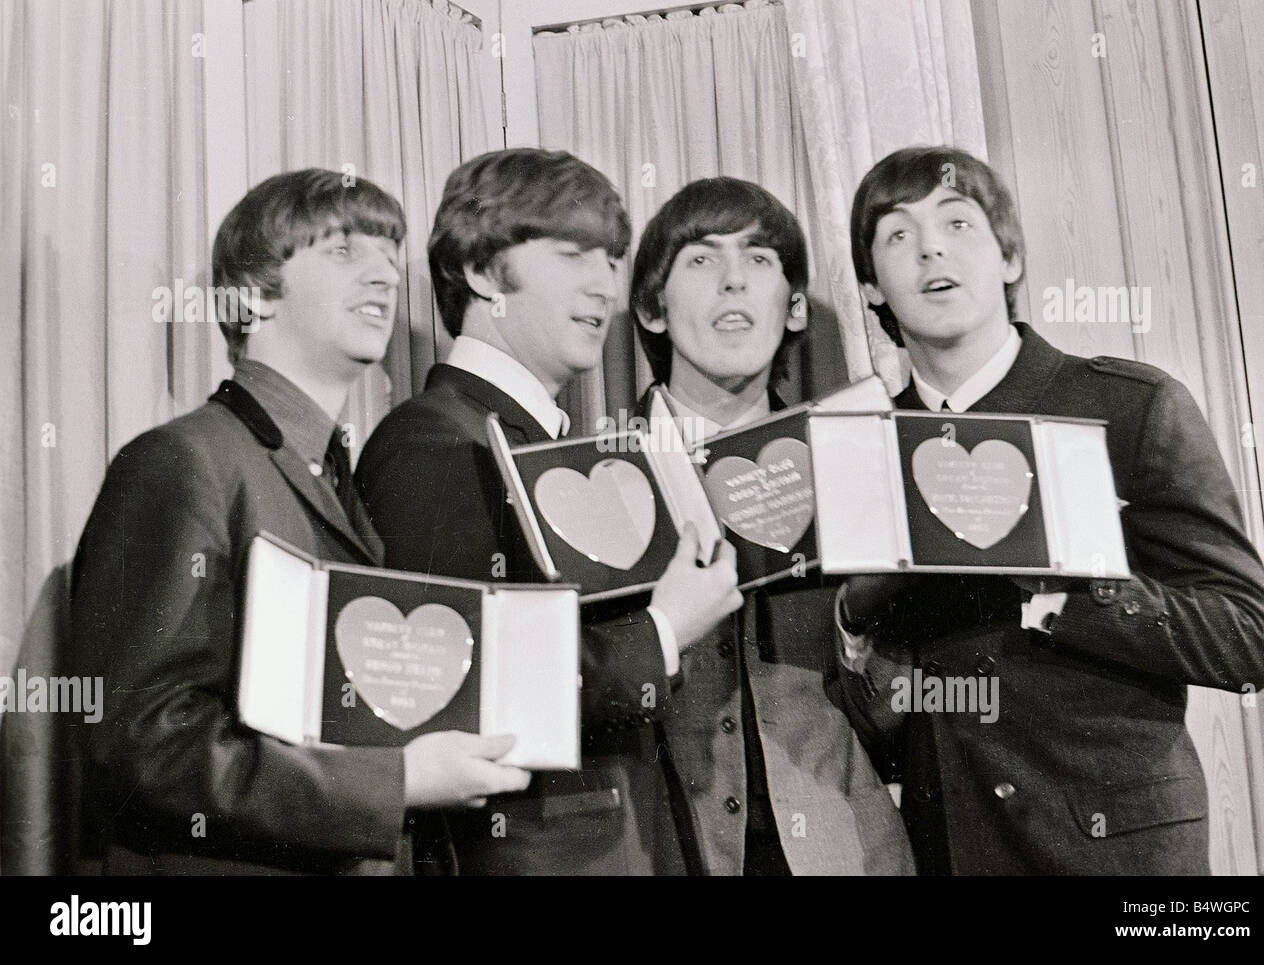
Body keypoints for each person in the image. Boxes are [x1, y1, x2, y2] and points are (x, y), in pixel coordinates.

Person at [826, 145, 1264, 874]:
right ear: (874, 289)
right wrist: (855, 622)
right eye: (899, 235)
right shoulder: (862, 451)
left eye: (957, 222)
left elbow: (1246, 639)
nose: (931, 246)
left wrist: (1057, 584)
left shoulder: (1130, 406)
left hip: (1123, 861)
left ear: (1009, 259)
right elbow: (875, 731)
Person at [68, 168, 530, 875]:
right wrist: (396, 781)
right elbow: (140, 744)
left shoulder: (331, 473)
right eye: (345, 251)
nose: (384, 274)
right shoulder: (180, 462)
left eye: (388, 252)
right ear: (252, 294)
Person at [356, 149, 743, 875]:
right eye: (574, 254)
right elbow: (461, 690)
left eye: (612, 258)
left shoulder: (538, 441)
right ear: (479, 271)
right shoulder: (433, 442)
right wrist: (665, 629)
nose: (605, 283)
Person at [629, 177, 914, 875]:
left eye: (758, 259)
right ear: (652, 309)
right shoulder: (602, 478)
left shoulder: (858, 458)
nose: (733, 280)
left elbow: (898, 726)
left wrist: (860, 627)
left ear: (792, 308)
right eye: (700, 259)